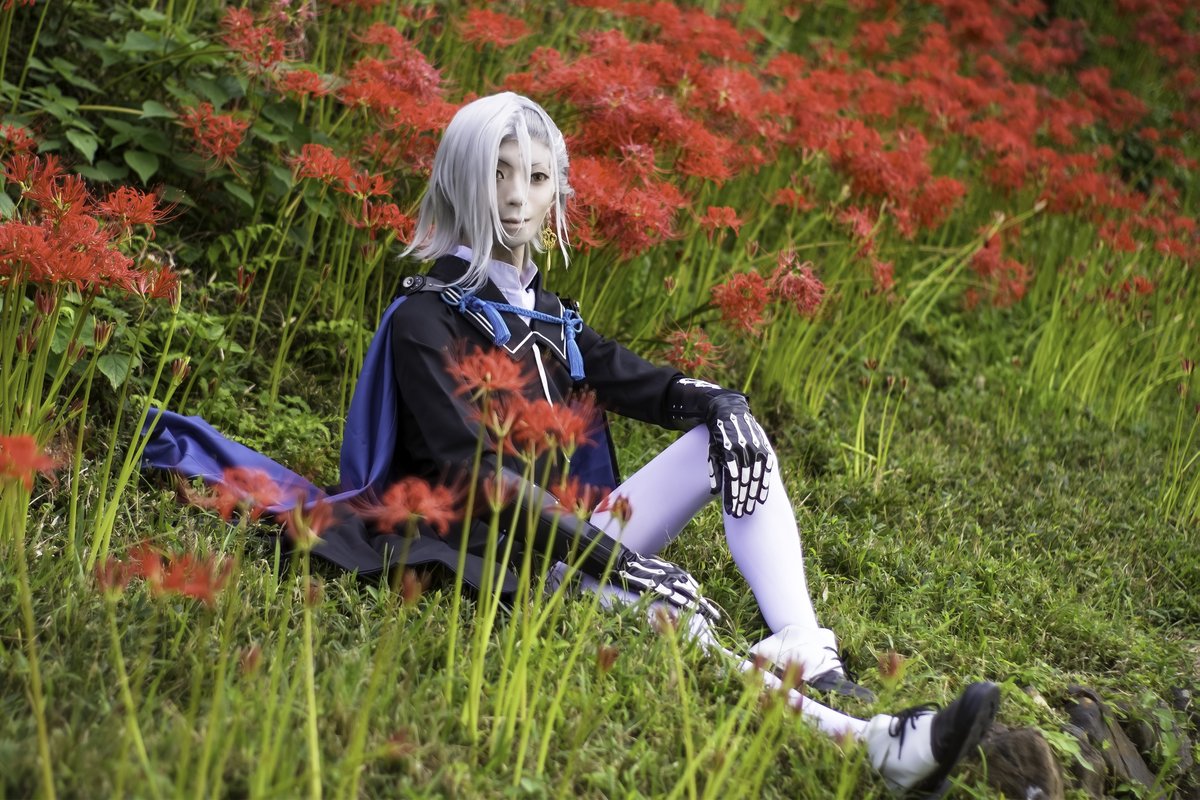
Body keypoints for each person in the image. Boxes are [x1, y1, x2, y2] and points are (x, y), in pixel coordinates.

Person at [371, 91, 999, 796]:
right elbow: (474, 475)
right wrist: (619, 564)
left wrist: (722, 403)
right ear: (460, 178)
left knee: (731, 439)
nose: (517, 197)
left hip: (567, 539)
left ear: (556, 192)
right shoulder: (425, 319)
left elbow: (634, 379)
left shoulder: (542, 311)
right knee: (671, 613)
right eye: (498, 172)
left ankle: (803, 647)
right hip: (490, 565)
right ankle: (874, 745)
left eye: (537, 177)